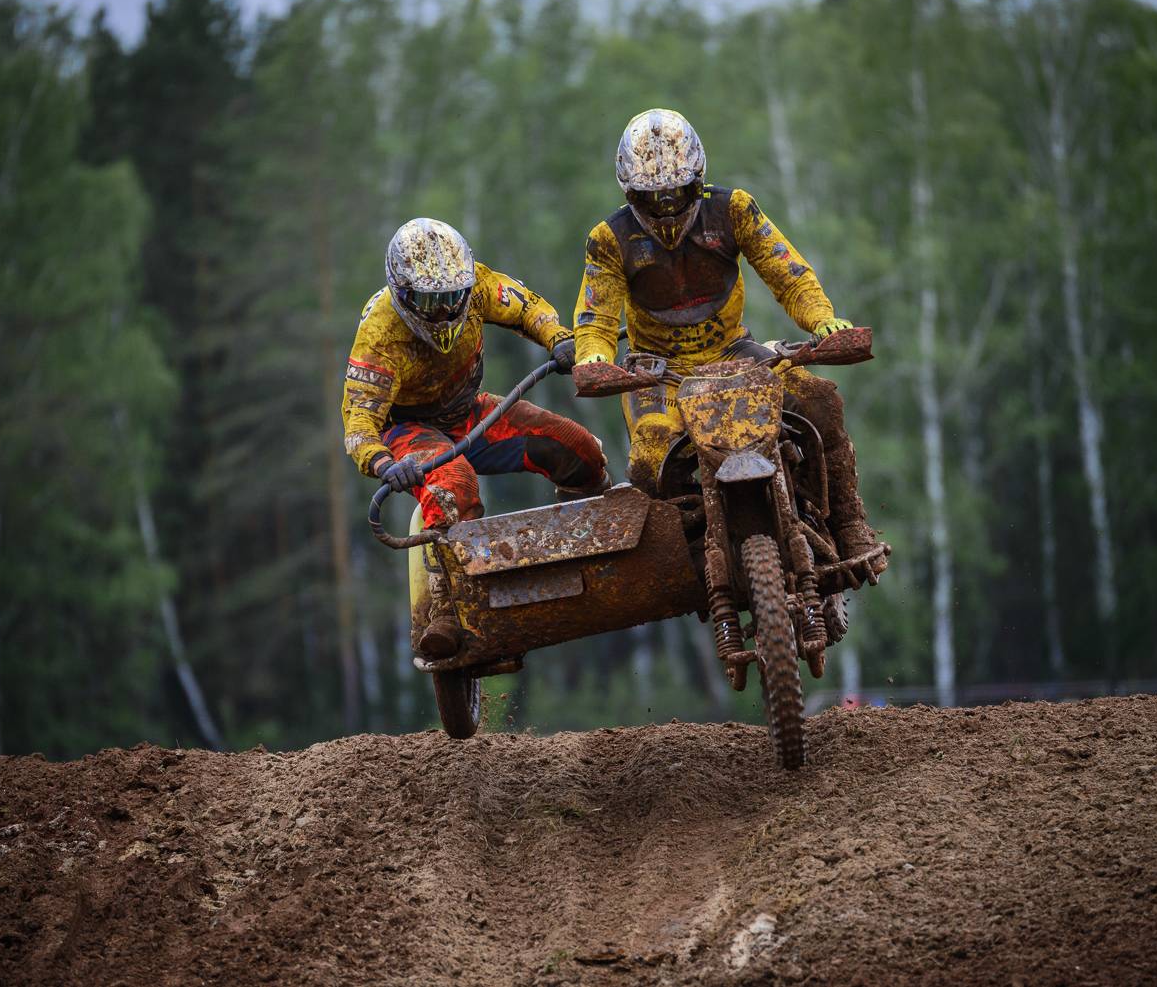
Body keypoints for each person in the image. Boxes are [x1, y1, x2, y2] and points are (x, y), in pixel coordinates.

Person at [571, 108, 887, 581]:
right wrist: (594, 358)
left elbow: (788, 273)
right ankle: (689, 561)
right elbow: (595, 317)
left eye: (676, 192)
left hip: (735, 354)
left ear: (697, 181)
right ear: (630, 193)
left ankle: (848, 522)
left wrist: (823, 321)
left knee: (821, 401)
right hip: (658, 372)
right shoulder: (609, 239)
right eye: (652, 197)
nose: (666, 207)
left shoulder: (734, 209)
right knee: (649, 460)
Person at [343, 218, 609, 654]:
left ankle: (596, 537)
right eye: (431, 302)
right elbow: (358, 424)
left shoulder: (480, 284)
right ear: (403, 294)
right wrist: (384, 464)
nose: (446, 312)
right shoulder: (379, 335)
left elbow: (527, 306)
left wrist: (559, 339)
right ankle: (447, 606)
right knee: (454, 484)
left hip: (468, 413)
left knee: (574, 446)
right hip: (409, 431)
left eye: (453, 298)